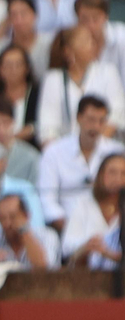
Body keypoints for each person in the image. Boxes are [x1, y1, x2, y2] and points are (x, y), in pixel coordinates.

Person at [37, 94, 124, 226]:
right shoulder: (53, 152)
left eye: (101, 121)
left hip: (113, 224)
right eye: (91, 120)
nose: (96, 126)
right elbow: (46, 199)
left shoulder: (118, 151)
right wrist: (71, 228)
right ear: (78, 118)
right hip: (65, 225)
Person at [0, 192, 56, 296]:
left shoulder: (47, 236)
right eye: (3, 218)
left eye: (13, 217)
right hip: (8, 299)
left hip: (43, 296)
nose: (8, 223)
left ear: (26, 215)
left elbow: (43, 269)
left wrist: (24, 231)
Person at [60, 152, 125, 265]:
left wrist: (108, 253)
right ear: (101, 175)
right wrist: (88, 246)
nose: (118, 179)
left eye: (123, 173)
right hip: (87, 274)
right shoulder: (84, 203)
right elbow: (67, 247)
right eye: (112, 172)